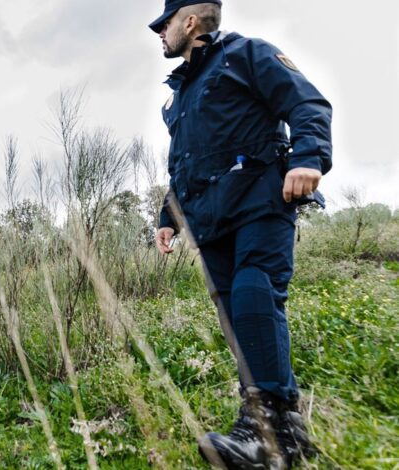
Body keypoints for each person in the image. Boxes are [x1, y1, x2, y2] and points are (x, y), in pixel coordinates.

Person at [149, 1, 330, 467]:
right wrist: (168, 217)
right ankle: (288, 432)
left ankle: (263, 432)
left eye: (165, 24)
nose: (160, 33)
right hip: (210, 221)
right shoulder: (180, 94)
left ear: (189, 21)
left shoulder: (246, 55)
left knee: (255, 293)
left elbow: (305, 102)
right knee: (238, 318)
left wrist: (309, 157)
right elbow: (185, 162)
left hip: (259, 200)